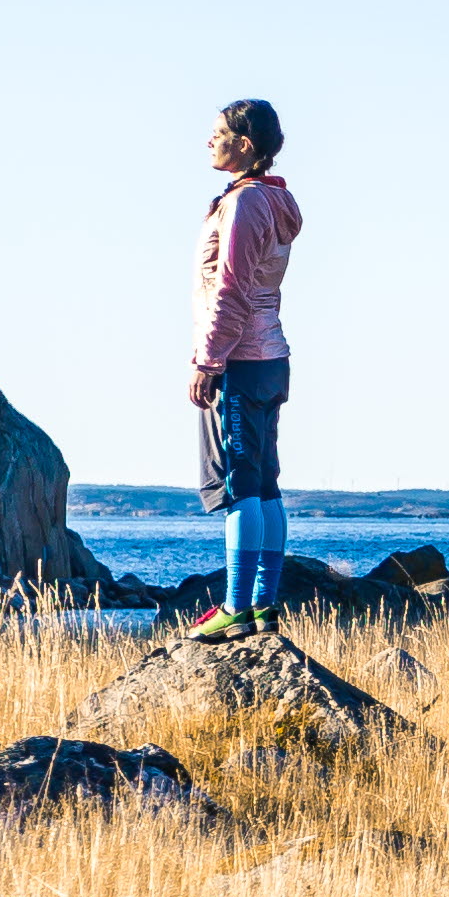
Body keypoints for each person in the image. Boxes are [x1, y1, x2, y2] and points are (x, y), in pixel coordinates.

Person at [185, 98, 300, 640]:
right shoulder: (272, 200)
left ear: (245, 145)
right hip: (269, 357)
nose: (208, 141)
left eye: (217, 134)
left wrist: (207, 361)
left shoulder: (246, 204)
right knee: (264, 484)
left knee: (241, 486)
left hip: (240, 359)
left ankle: (238, 606)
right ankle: (261, 605)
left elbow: (230, 291)